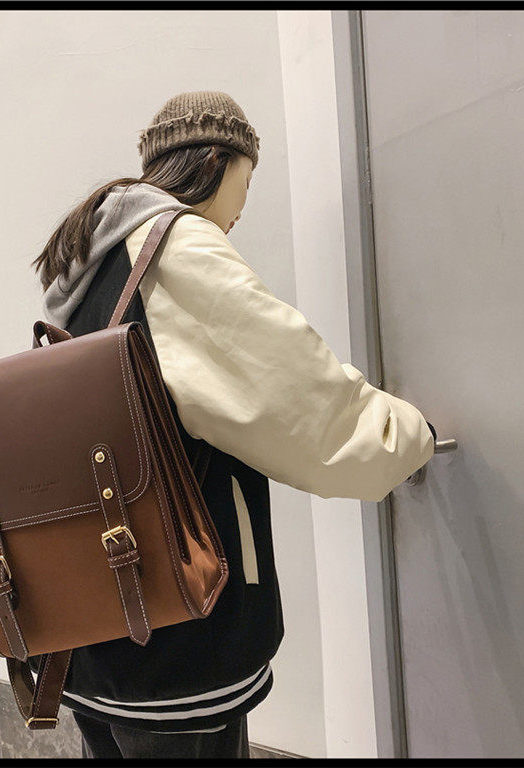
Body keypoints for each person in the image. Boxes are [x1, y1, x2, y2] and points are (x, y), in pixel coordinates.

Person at [29, 90, 437, 759]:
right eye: (248, 178)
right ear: (219, 162)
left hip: (91, 625)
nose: (244, 203)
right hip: (178, 633)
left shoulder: (93, 261)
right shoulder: (177, 247)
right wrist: (406, 434)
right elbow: (298, 399)